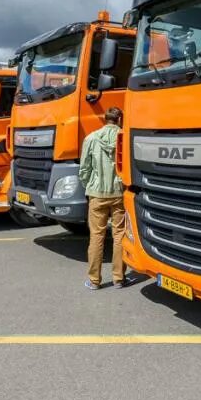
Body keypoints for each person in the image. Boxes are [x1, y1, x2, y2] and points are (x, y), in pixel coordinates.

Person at [80, 107, 127, 290]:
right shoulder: (123, 137)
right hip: (119, 193)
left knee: (97, 236)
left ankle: (94, 280)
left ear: (104, 119)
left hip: (97, 193)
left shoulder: (91, 138)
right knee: (120, 236)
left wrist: (89, 186)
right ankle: (119, 278)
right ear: (120, 120)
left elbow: (84, 169)